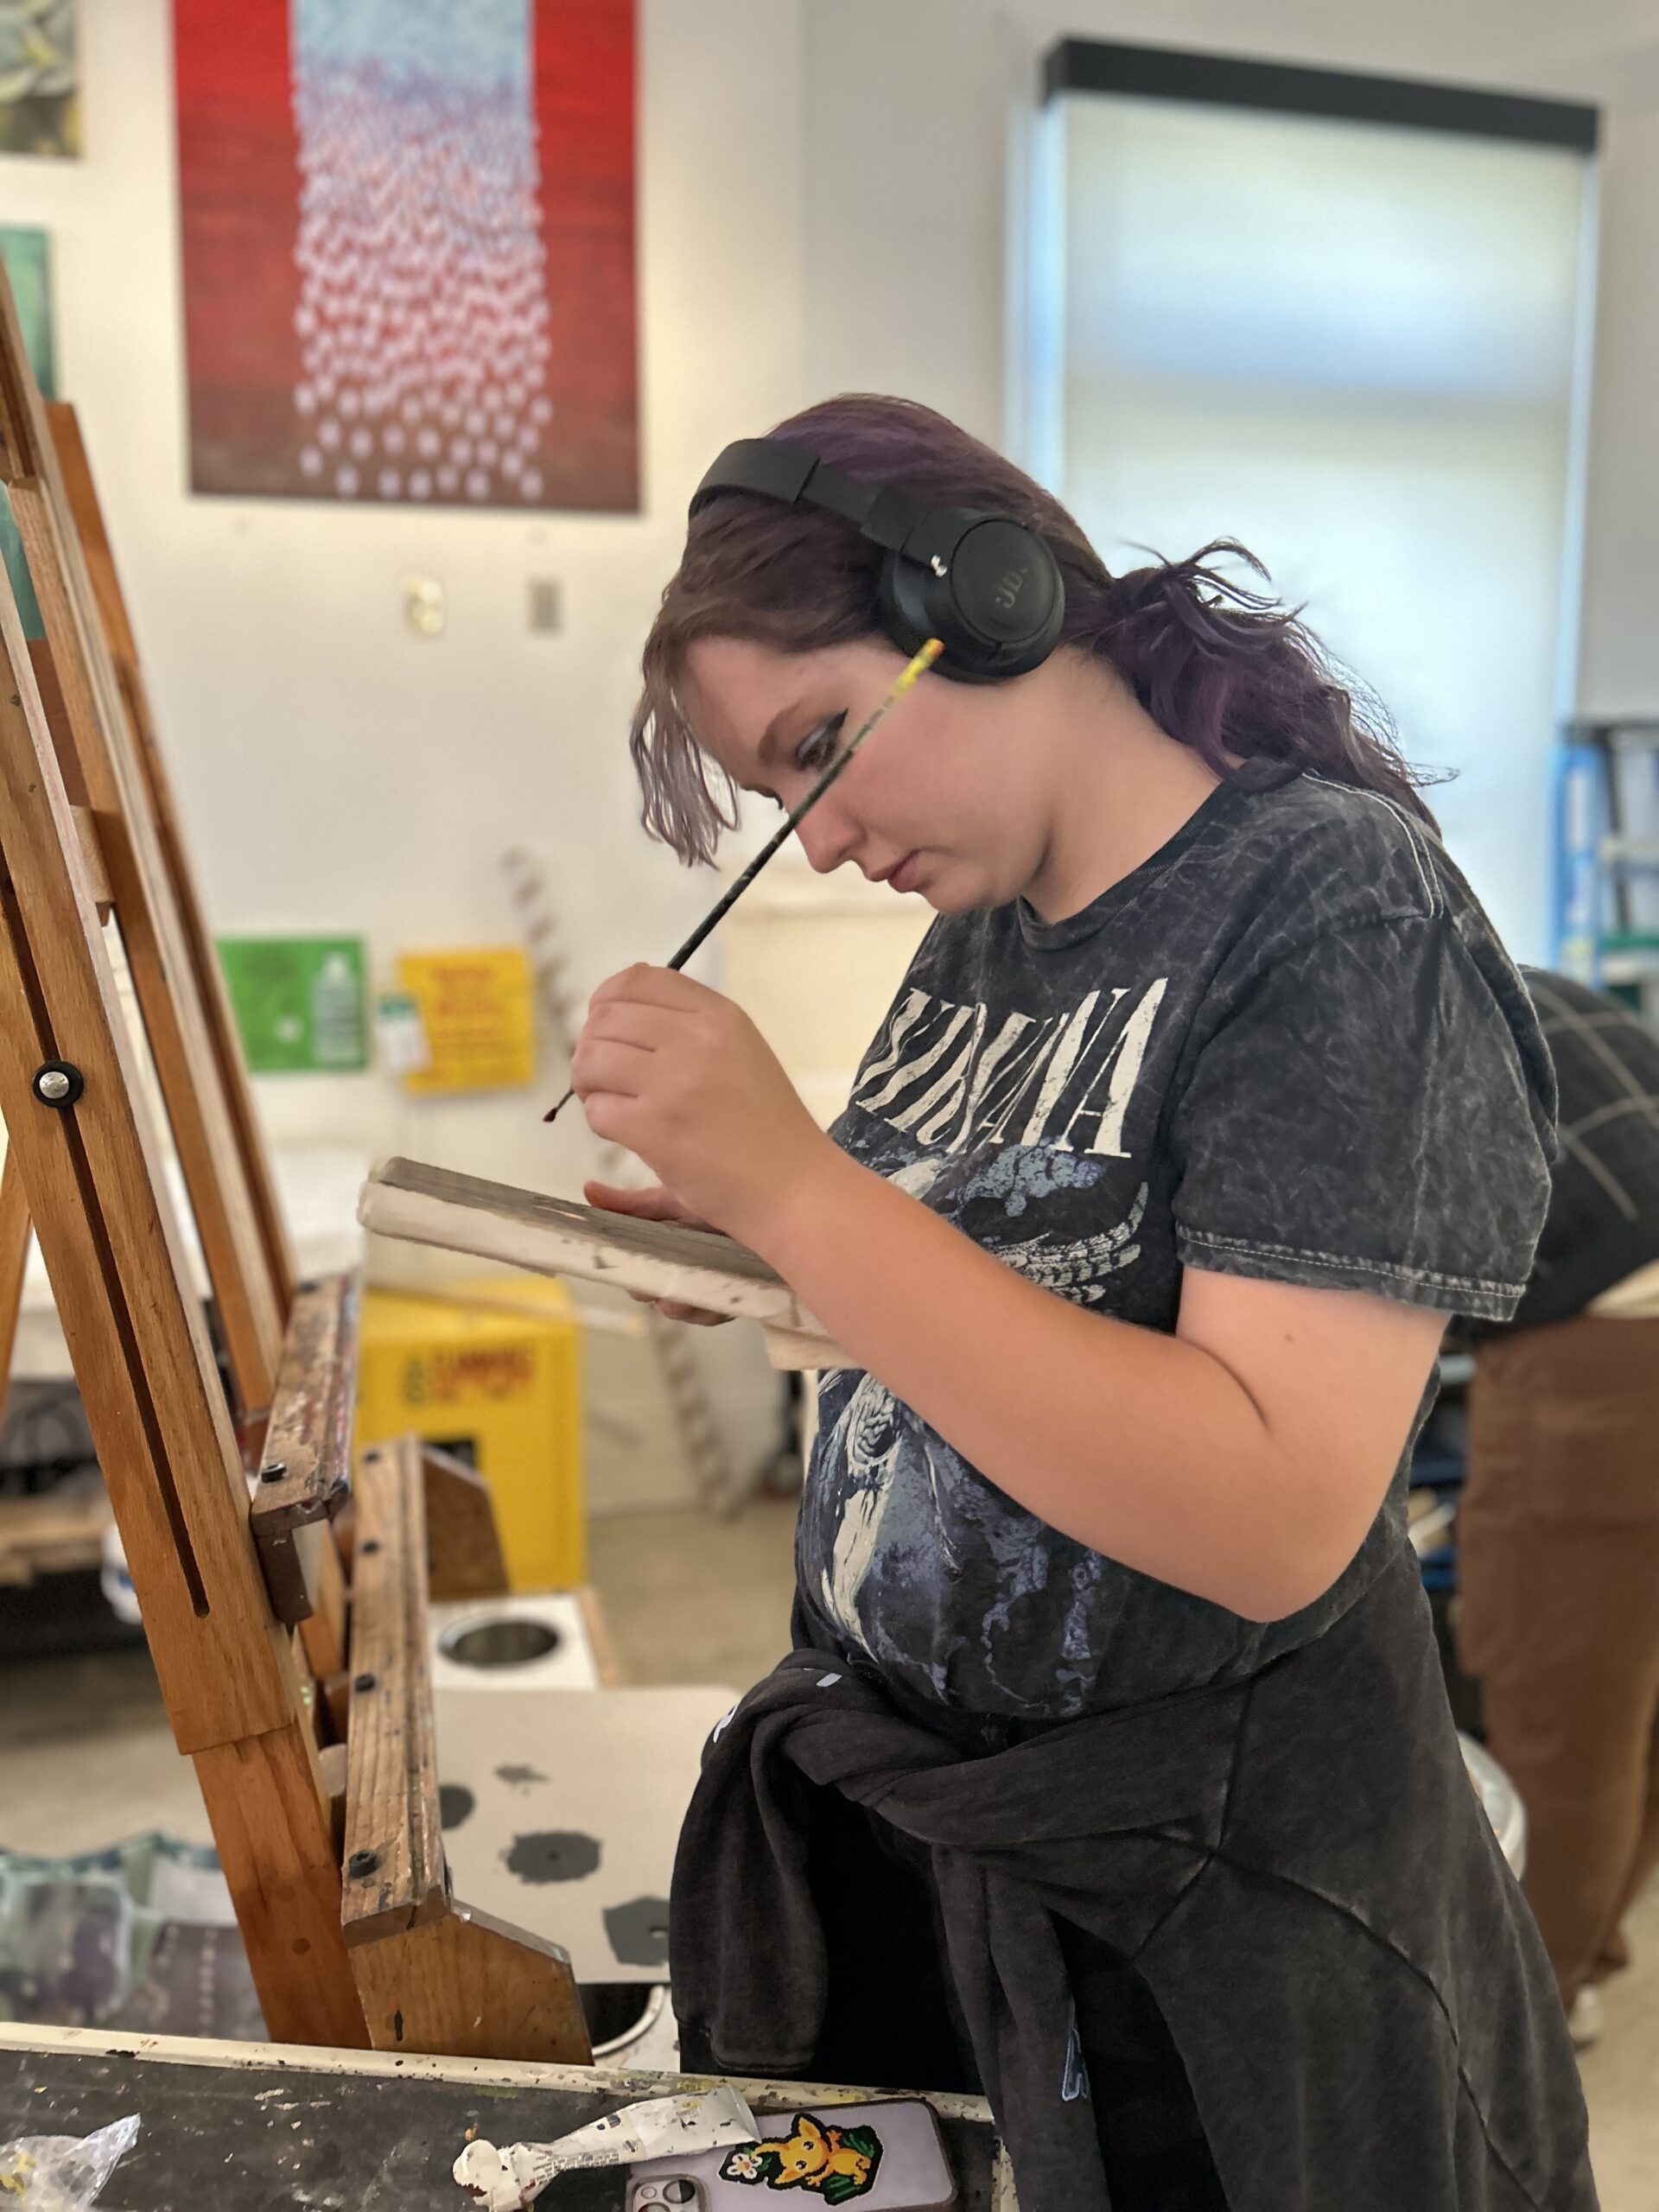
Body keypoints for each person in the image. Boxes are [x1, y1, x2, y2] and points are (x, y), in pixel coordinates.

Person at [569, 396, 1593, 2211]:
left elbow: (1271, 1512)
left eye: (820, 748)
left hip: (1205, 1946)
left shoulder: (1332, 908)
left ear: (990, 601)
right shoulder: (987, 932)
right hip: (973, 1874)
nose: (817, 840)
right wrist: (767, 1245)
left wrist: (805, 1191)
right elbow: (996, 1301)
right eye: (776, 799)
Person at [1456, 965, 1659, 2051]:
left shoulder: (1372, 1004)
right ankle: (1580, 1970)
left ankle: (1522, 2027)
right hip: (1628, 1332)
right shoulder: (1542, 988)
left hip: (1602, 1366)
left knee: (1560, 1719)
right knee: (1634, 1709)